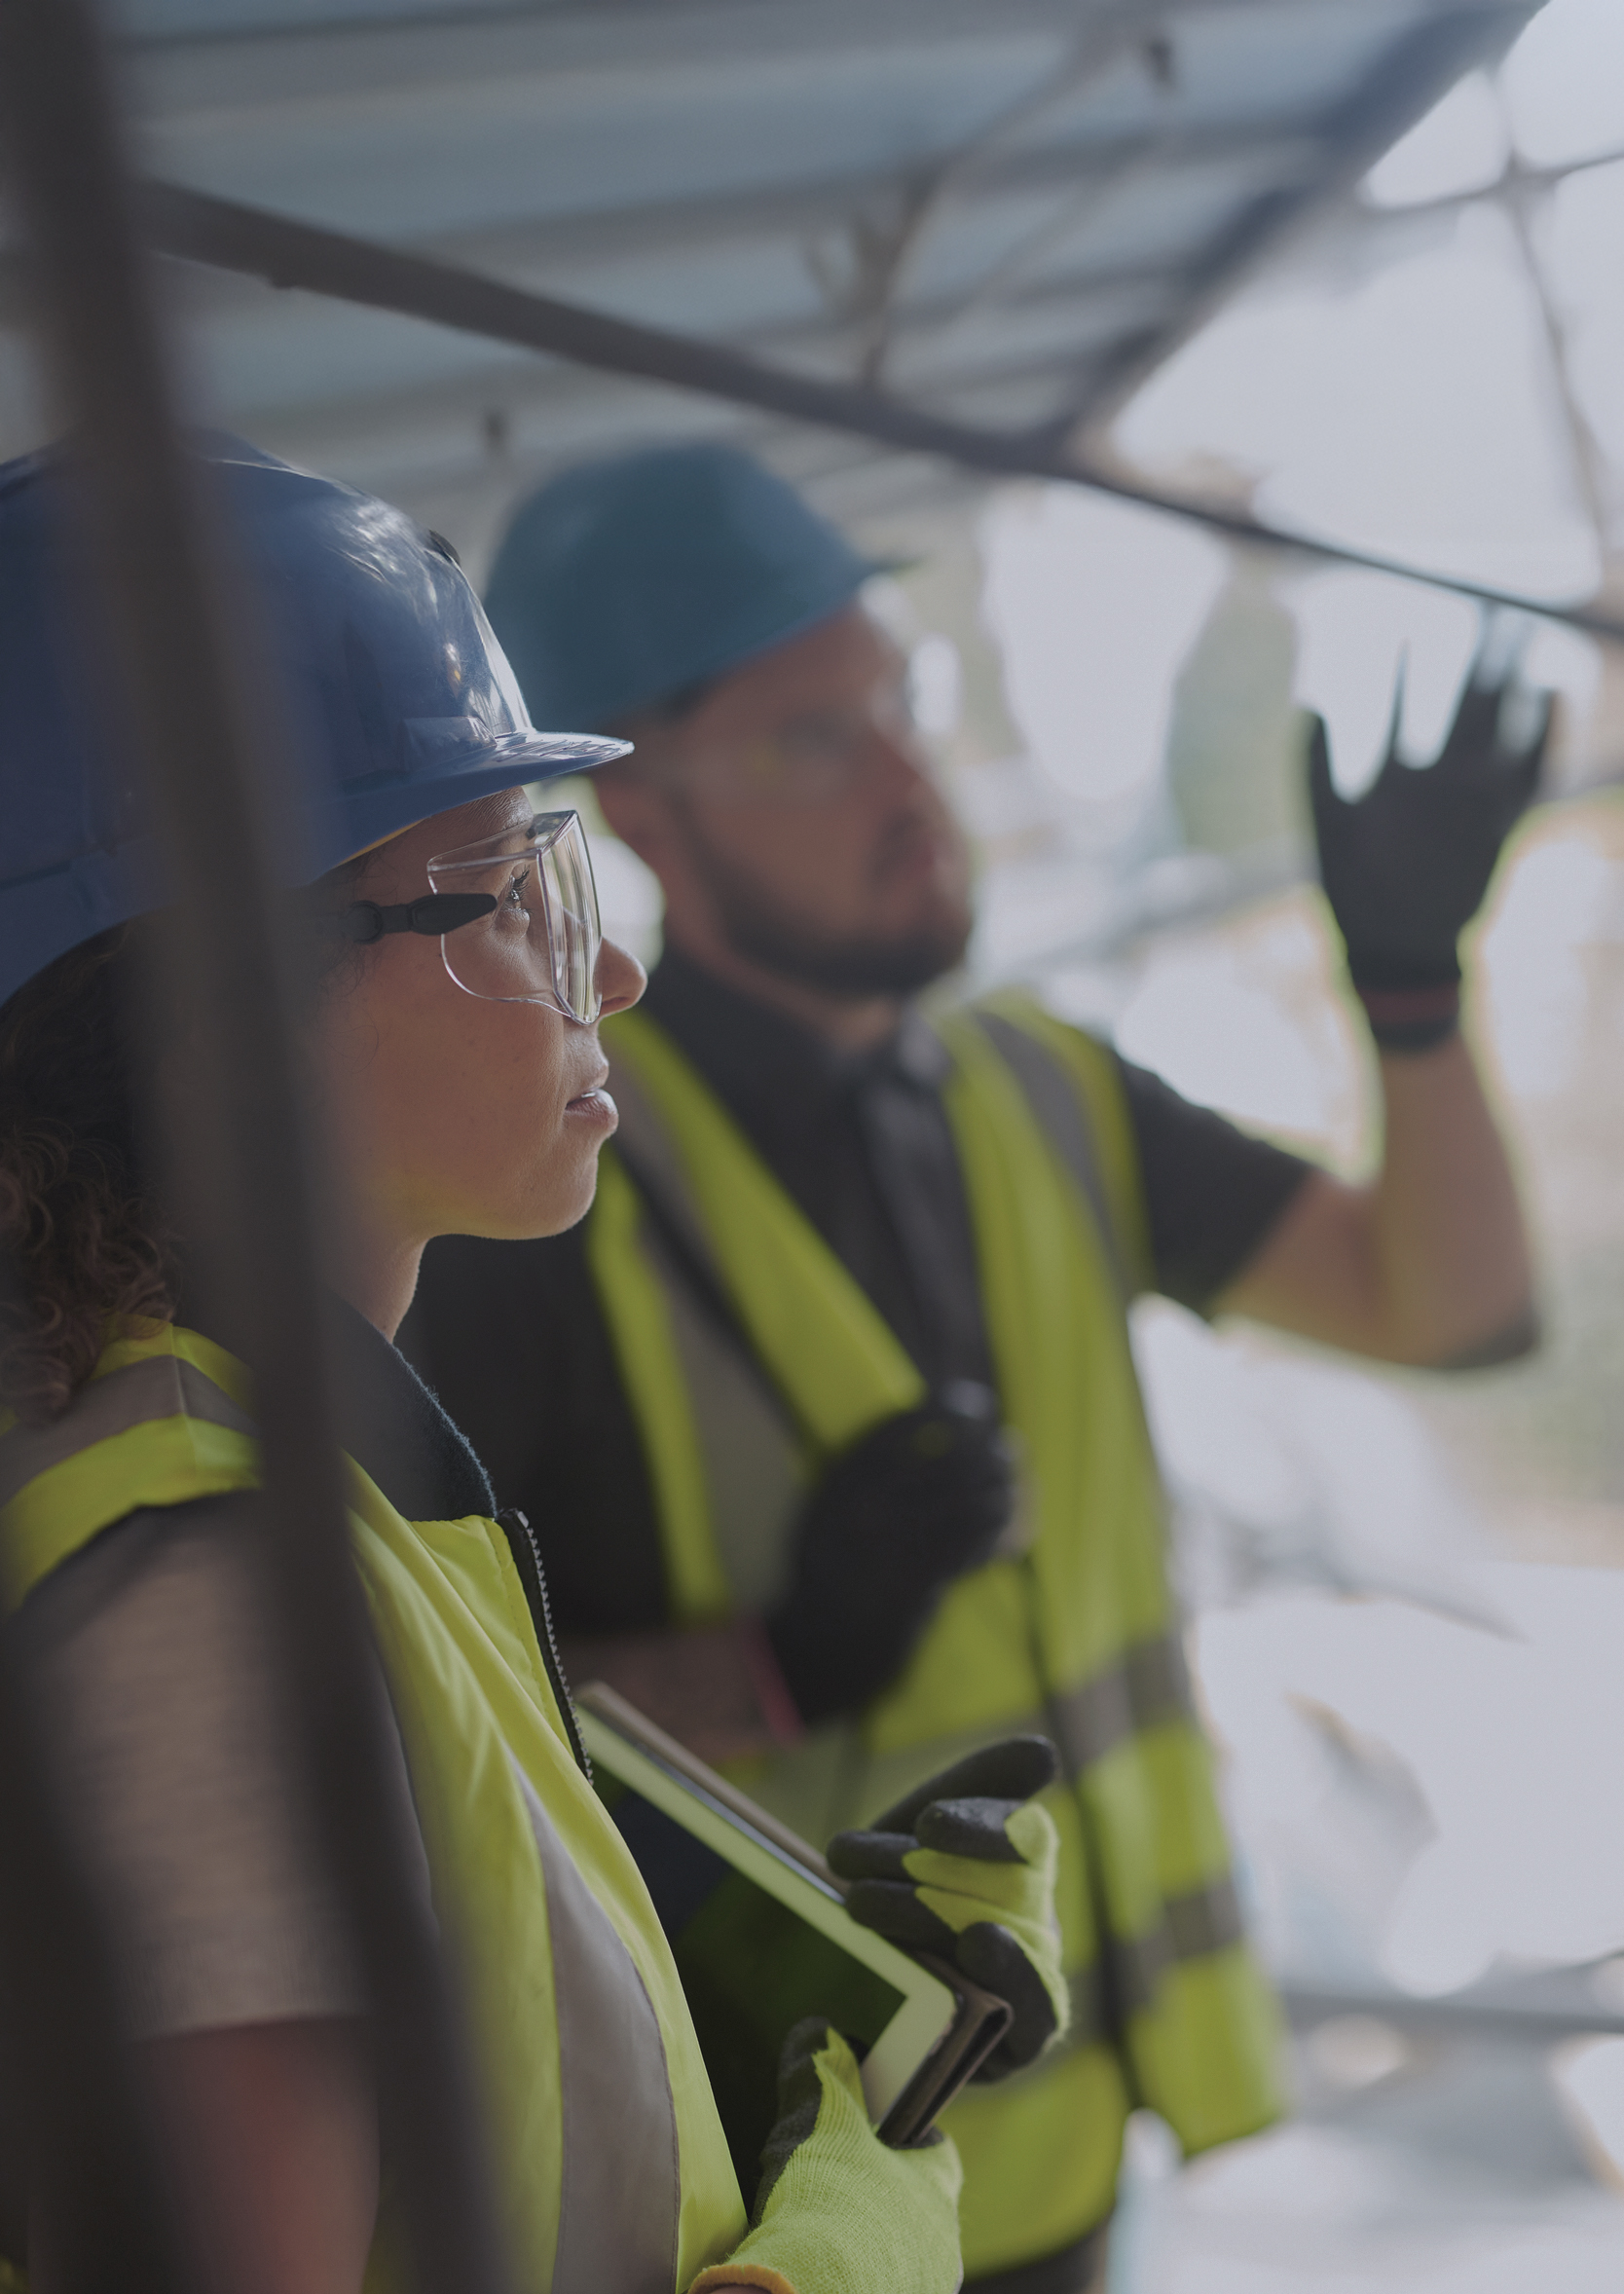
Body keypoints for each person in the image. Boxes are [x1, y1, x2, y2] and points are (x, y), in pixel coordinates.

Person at [406, 441, 1547, 2294]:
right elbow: (423, 1737)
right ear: (649, 816)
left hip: (1076, 2149)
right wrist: (773, 1661)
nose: (907, 778)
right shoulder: (540, 1190)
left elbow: (1452, 1309)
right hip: (782, 2202)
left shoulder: (1049, 1092)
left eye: (898, 701)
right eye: (811, 738)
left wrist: (1415, 996)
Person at [0, 433, 1067, 2294]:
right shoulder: (199, 1601)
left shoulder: (288, 1496)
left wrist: (769, 2025)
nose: (614, 979)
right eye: (502, 892)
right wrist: (845, 2235)